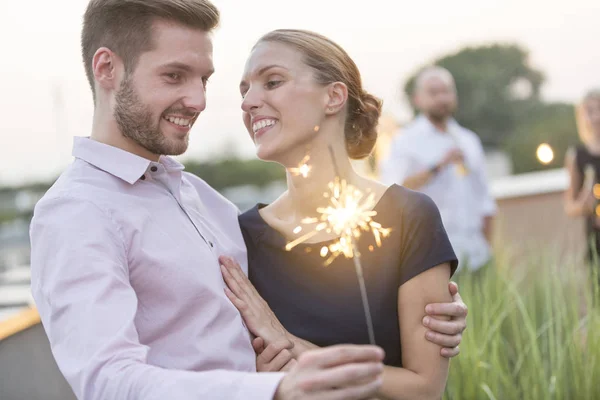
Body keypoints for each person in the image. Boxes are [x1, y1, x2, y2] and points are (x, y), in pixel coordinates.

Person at [28, 1, 465, 400]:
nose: (198, 101)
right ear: (107, 69)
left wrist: (433, 308)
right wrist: (273, 387)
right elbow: (108, 381)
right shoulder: (76, 212)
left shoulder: (206, 202)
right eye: (174, 76)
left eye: (203, 79)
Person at [219, 29, 464, 400]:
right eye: (244, 90)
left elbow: (423, 390)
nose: (249, 102)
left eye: (272, 82)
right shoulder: (240, 237)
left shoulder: (408, 217)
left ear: (333, 96)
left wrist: (289, 345)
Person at [379, 66, 496, 276]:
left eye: (447, 91)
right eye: (434, 92)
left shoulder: (468, 140)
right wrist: (437, 167)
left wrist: (489, 246)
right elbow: (392, 191)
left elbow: (484, 199)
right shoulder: (405, 141)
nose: (442, 98)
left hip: (478, 255)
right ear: (417, 99)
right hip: (434, 257)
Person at [565, 89, 600, 282]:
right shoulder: (577, 155)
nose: (596, 117)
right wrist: (583, 204)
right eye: (590, 111)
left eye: (599, 109)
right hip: (596, 245)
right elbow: (570, 207)